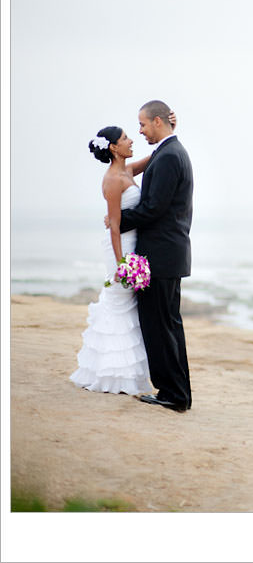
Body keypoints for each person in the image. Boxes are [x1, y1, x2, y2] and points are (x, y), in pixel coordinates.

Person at [117, 100, 194, 413]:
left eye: (144, 124)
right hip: (169, 255)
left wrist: (117, 221)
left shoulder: (168, 157)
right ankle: (178, 393)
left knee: (159, 327)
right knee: (168, 326)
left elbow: (153, 209)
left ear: (159, 122)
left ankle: (172, 394)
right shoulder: (170, 152)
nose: (140, 130)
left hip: (160, 257)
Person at [70, 125, 156, 394]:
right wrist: (122, 265)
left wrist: (171, 127)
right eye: (125, 139)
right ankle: (110, 374)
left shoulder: (127, 171)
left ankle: (122, 373)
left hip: (132, 244)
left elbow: (157, 155)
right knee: (118, 302)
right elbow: (115, 226)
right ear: (113, 148)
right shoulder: (112, 180)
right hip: (120, 247)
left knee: (125, 307)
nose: (131, 141)